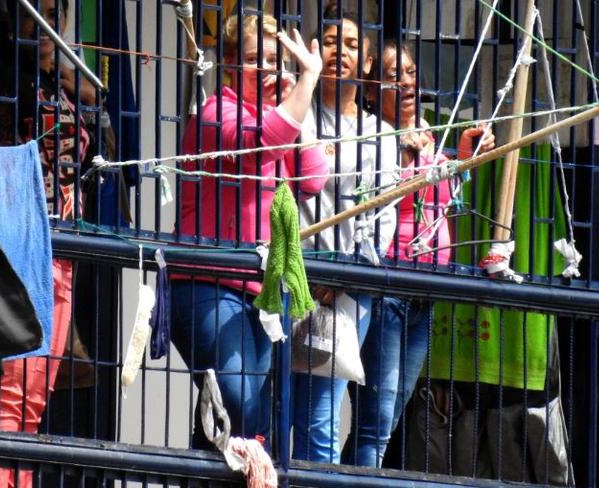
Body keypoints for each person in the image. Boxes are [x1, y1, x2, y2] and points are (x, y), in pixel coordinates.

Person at [0, 1, 103, 486]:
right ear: (9, 21)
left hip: (62, 250)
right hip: (18, 248)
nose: (42, 26)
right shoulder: (3, 83)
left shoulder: (67, 83)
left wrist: (74, 84)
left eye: (51, 14)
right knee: (11, 386)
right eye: (30, 15)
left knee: (36, 391)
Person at [170, 13, 327, 450]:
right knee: (239, 398)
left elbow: (312, 180)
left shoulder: (281, 117)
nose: (269, 70)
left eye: (277, 61)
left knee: (241, 410)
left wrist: (302, 102)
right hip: (206, 282)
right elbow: (263, 146)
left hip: (263, 291)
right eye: (257, 59)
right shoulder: (215, 112)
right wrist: (306, 83)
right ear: (231, 64)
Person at [341, 40, 495, 467]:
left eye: (410, 72)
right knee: (377, 418)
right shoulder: (369, 138)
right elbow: (367, 199)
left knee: (389, 419)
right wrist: (399, 152)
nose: (406, 82)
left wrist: (462, 154)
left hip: (424, 291)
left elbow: (440, 195)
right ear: (370, 92)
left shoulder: (429, 134)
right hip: (387, 288)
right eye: (393, 76)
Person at [291, 7, 399, 464]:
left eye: (353, 46)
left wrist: (345, 275)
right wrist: (302, 270)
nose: (341, 53)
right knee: (280, 407)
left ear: (369, 62)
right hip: (291, 281)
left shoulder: (382, 134)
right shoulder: (299, 115)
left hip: (347, 293)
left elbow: (384, 216)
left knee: (320, 416)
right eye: (332, 42)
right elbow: (284, 197)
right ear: (316, 51)